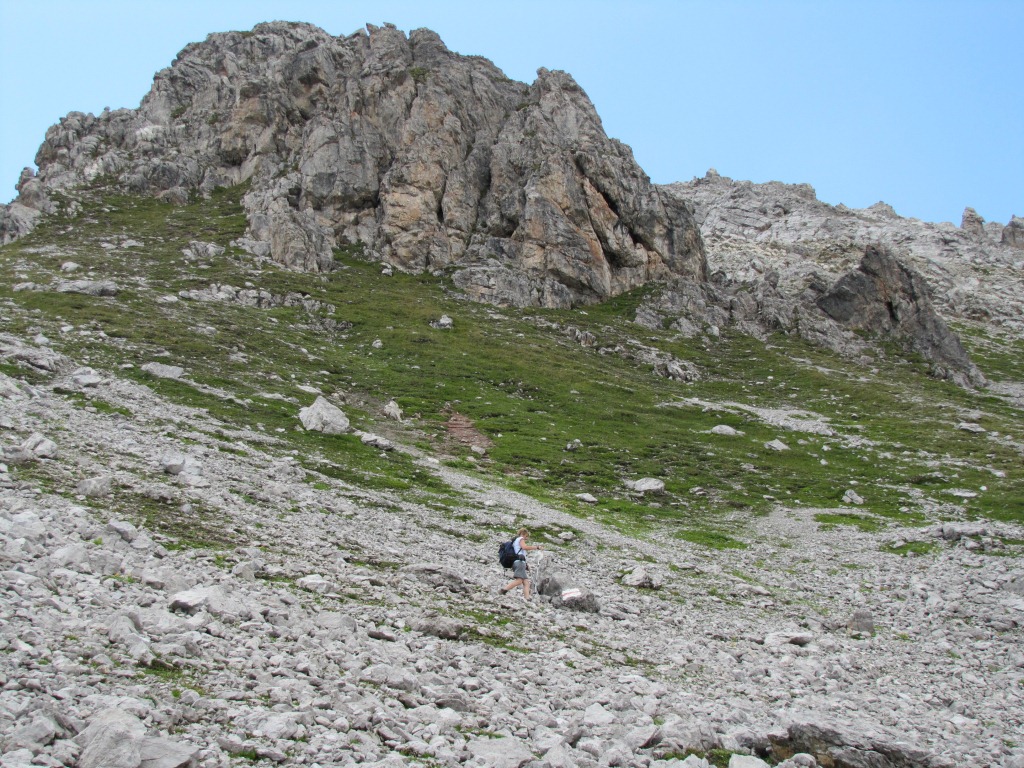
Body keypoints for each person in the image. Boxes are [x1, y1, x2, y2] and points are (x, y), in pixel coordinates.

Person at [499, 528, 542, 600]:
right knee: (519, 580)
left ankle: (527, 598)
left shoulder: (515, 541)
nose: (527, 538)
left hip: (518, 562)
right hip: (519, 562)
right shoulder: (520, 539)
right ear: (523, 534)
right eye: (526, 536)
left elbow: (520, 552)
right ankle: (504, 590)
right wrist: (537, 547)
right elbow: (524, 547)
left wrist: (526, 565)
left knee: (526, 582)